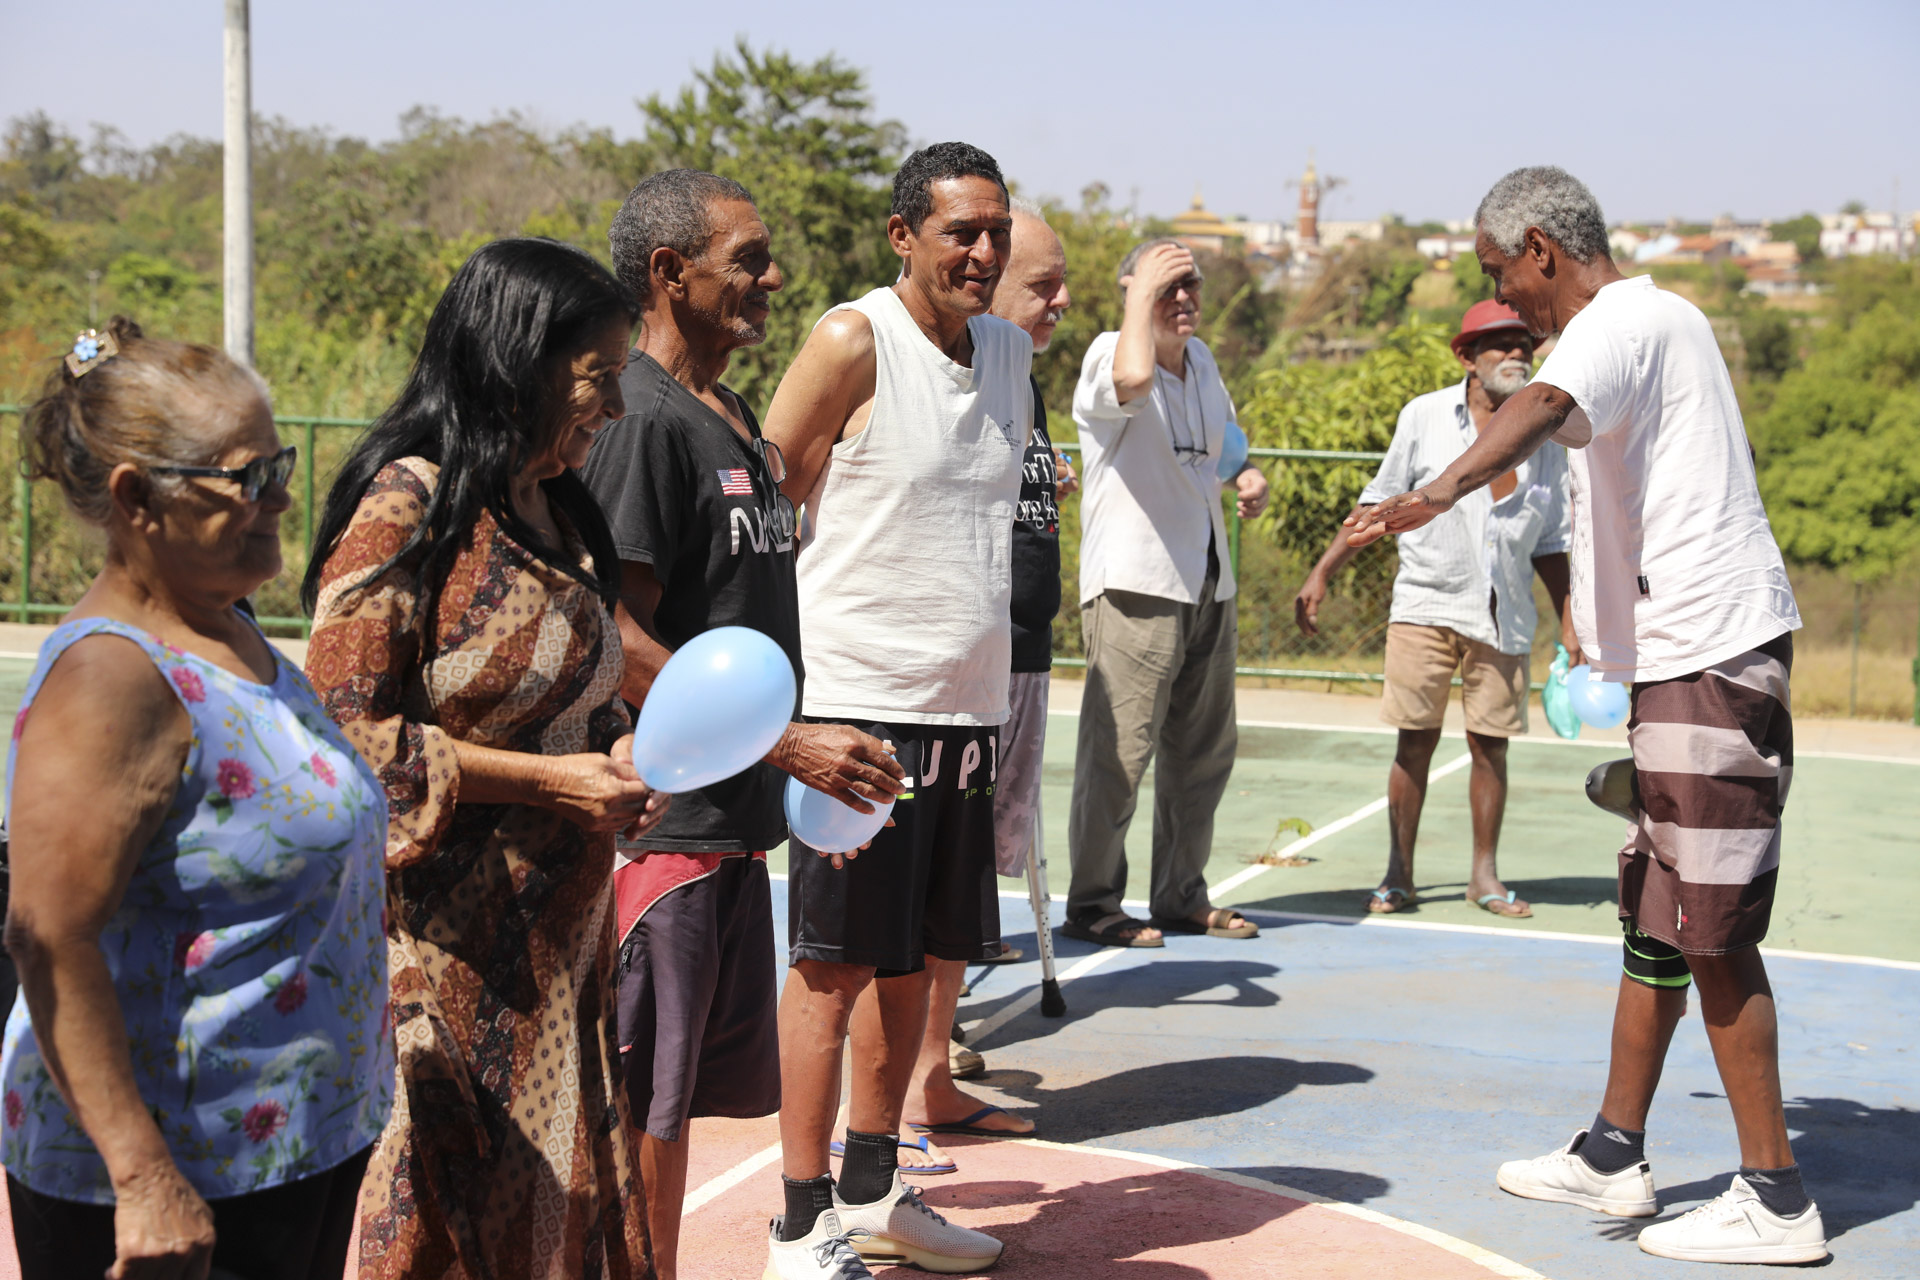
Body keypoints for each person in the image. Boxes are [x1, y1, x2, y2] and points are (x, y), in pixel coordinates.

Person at [1348, 166, 1825, 1266]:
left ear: (1540, 249)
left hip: (1712, 652)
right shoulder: (1655, 322)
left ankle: (1776, 1194)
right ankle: (1615, 1148)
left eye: (1500, 273)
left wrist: (1439, 488)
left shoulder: (1626, 316)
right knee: (1659, 912)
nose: (1508, 302)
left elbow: (1539, 408)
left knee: (1711, 926)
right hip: (1683, 658)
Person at [302, 238, 671, 1279]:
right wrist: (546, 780)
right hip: (447, 957)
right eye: (598, 376)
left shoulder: (560, 507)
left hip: (563, 952)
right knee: (441, 1221)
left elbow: (574, 698)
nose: (616, 405)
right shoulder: (408, 509)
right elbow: (341, 740)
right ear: (521, 358)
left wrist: (614, 751)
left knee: (550, 1222)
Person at [4, 317, 392, 1280]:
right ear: (139, 498)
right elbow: (49, 936)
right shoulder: (112, 677)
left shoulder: (226, 627)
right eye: (247, 476)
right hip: (175, 1189)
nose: (281, 496)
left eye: (280, 462)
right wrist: (142, 1178)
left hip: (282, 1155)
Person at [581, 170, 907, 1280]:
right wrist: (784, 742)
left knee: (677, 1107)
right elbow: (615, 638)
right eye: (749, 259)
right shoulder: (638, 421)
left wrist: (808, 746)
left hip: (728, 829)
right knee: (642, 1110)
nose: (774, 277)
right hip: (661, 831)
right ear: (671, 274)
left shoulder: (727, 416)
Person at [757, 141, 1028, 1279]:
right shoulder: (851, 338)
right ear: (903, 236)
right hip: (856, 709)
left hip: (964, 708)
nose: (982, 250)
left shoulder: (1012, 353)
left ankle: (874, 1185)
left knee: (919, 962)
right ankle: (799, 1218)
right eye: (960, 229)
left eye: (996, 231)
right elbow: (765, 500)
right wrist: (778, 695)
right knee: (833, 964)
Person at [888, 195, 1072, 1171]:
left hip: (1013, 659)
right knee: (909, 895)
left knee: (963, 890)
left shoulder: (1017, 380)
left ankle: (934, 1073)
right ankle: (888, 1107)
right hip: (924, 682)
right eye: (1044, 285)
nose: (1061, 300)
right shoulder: (895, 365)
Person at [1293, 299, 1576, 918]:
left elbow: (1553, 542)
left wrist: (1572, 626)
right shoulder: (1424, 417)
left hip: (1504, 616)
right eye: (1498, 344)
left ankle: (1485, 878)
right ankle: (1398, 875)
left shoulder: (1547, 435)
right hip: (1424, 603)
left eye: (1523, 342)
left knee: (1490, 746)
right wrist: (1322, 572)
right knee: (1414, 742)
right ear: (1467, 358)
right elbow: (1377, 502)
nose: (1515, 354)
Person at [1063, 237, 1270, 948]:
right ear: (1133, 295)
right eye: (1165, 288)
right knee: (1120, 755)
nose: (1183, 300)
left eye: (1191, 287)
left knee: (1204, 751)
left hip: (1207, 579)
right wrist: (1136, 294)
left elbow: (1222, 446)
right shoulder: (1109, 354)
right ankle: (1092, 902)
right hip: (1137, 584)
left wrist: (1244, 477)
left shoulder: (1205, 363)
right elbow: (1131, 382)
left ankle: (1181, 893)